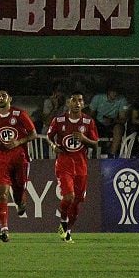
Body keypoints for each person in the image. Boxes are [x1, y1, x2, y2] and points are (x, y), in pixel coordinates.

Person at [47, 91, 98, 243]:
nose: (76, 103)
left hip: (81, 165)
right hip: (64, 163)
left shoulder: (88, 122)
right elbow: (49, 137)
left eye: (80, 100)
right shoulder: (59, 120)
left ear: (83, 104)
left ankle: (68, 231)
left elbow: (95, 144)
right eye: (73, 100)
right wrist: (53, 146)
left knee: (76, 201)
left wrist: (84, 139)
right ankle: (63, 221)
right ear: (68, 103)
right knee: (69, 196)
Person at [0, 89, 37, 242]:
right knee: (2, 192)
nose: (0, 98)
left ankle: (20, 203)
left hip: (20, 159)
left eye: (3, 95)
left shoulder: (19, 114)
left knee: (18, 192)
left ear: (10, 98)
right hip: (2, 159)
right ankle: (4, 229)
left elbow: (33, 134)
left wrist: (18, 142)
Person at [89, 82, 128, 158]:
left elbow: (123, 119)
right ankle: (92, 153)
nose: (115, 93)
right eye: (113, 91)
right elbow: (91, 115)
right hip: (99, 123)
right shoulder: (97, 98)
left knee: (119, 128)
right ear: (108, 91)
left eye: (116, 91)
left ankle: (112, 154)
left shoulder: (122, 100)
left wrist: (112, 120)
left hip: (113, 123)